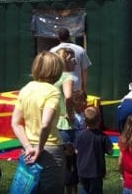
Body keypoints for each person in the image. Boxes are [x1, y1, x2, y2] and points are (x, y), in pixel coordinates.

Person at [11, 51, 66, 193]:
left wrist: (28, 147)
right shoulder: (53, 91)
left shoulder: (26, 89)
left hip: (28, 149)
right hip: (50, 149)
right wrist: (40, 148)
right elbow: (45, 123)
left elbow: (15, 123)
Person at [54, 47, 78, 194]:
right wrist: (70, 113)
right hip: (66, 126)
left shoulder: (54, 78)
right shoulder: (67, 78)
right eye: (74, 60)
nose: (76, 63)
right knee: (69, 163)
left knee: (58, 163)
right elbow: (68, 97)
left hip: (55, 124)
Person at [74, 106, 113, 194]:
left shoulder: (79, 135)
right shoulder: (103, 136)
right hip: (96, 171)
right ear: (99, 120)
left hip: (82, 170)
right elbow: (110, 151)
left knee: (84, 189)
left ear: (84, 121)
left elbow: (76, 151)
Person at [50, 28, 91, 94]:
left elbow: (50, 71)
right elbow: (84, 70)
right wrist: (84, 87)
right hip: (76, 87)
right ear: (69, 36)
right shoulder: (80, 50)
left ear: (58, 38)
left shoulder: (52, 51)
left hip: (58, 87)